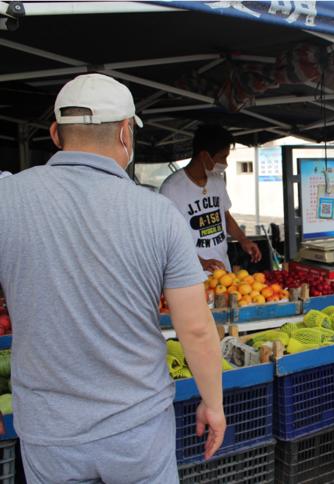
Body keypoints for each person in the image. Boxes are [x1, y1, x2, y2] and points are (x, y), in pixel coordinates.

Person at [0, 73, 226, 482]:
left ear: (55, 132)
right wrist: (213, 403)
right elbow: (194, 328)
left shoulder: (6, 198)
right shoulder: (158, 214)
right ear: (126, 132)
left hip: (48, 432)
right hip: (137, 427)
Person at [160, 124, 261, 273]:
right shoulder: (171, 188)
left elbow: (225, 217)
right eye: (222, 157)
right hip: (190, 274)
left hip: (223, 272)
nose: (225, 163)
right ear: (204, 156)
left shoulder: (217, 180)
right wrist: (201, 262)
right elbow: (168, 239)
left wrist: (243, 240)